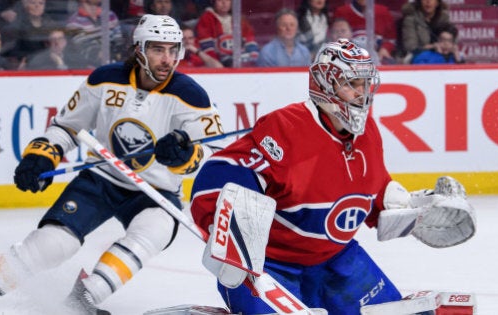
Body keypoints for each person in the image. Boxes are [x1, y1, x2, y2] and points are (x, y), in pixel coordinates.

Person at [0, 14, 224, 315]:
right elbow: (66, 127)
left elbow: (212, 153)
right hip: (102, 178)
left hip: (154, 190)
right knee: (55, 243)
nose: (167, 59)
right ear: (139, 49)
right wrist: (42, 155)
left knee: (155, 229)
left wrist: (186, 157)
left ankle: (85, 297)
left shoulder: (192, 95)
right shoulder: (105, 80)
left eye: (173, 50)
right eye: (159, 49)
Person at [189, 39, 476, 313]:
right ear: (325, 85)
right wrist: (225, 226)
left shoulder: (368, 134)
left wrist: (412, 212)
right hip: (270, 265)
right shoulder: (287, 128)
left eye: (365, 83)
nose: (362, 93)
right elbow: (220, 174)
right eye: (352, 84)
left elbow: (371, 191)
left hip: (337, 260)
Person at [195, 0, 259, 67]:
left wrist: (253, 55)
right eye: (220, 0)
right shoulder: (206, 18)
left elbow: (250, 39)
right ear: (213, 2)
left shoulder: (238, 17)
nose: (224, 3)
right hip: (219, 61)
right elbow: (207, 48)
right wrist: (216, 64)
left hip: (240, 57)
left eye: (228, 0)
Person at [0, 0, 60, 70]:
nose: (37, 6)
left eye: (41, 3)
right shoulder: (17, 25)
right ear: (25, 5)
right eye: (33, 3)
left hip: (49, 63)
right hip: (25, 64)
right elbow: (10, 49)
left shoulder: (51, 24)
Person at [66, 0, 125, 68]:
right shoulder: (74, 22)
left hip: (114, 62)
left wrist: (115, 53)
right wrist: (101, 54)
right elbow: (83, 48)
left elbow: (118, 40)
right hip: (89, 67)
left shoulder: (110, 15)